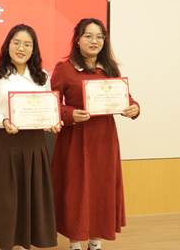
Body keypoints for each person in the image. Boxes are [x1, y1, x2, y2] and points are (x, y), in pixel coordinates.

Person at [51, 18, 140, 250]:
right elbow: (51, 104)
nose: (95, 41)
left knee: (101, 187)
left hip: (104, 139)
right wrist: (70, 114)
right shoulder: (65, 68)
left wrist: (134, 108)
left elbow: (126, 98)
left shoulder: (110, 68)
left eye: (100, 37)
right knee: (76, 189)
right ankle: (75, 243)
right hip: (75, 139)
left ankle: (95, 242)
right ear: (77, 39)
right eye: (88, 36)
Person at [0, 24, 61, 250]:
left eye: (27, 44)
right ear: (7, 45)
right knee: (7, 198)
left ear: (34, 49)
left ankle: (27, 243)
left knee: (32, 195)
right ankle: (7, 242)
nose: (21, 48)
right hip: (5, 143)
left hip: (34, 144)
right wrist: (4, 121)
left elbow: (47, 108)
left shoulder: (42, 77)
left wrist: (53, 122)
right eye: (16, 43)